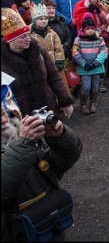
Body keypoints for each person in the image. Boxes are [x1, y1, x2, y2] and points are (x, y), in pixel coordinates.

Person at [1, 72, 83, 242]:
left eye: (2, 113)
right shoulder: (24, 141)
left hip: (47, 222)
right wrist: (24, 145)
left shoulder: (19, 135)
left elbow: (60, 165)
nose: (3, 121)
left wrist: (59, 137)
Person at [1, 8, 74, 119]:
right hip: (22, 116)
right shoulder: (3, 61)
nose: (28, 39)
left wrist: (65, 101)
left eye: (28, 35)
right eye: (22, 37)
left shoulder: (39, 51)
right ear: (10, 40)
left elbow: (54, 77)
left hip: (48, 109)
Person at [72, 13, 108, 114]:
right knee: (86, 86)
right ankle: (83, 104)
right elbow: (75, 52)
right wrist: (83, 64)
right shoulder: (78, 39)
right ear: (84, 29)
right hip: (85, 68)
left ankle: (93, 103)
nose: (91, 30)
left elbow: (104, 51)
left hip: (96, 67)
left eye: (93, 28)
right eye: (88, 28)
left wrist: (96, 62)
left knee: (95, 86)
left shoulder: (99, 39)